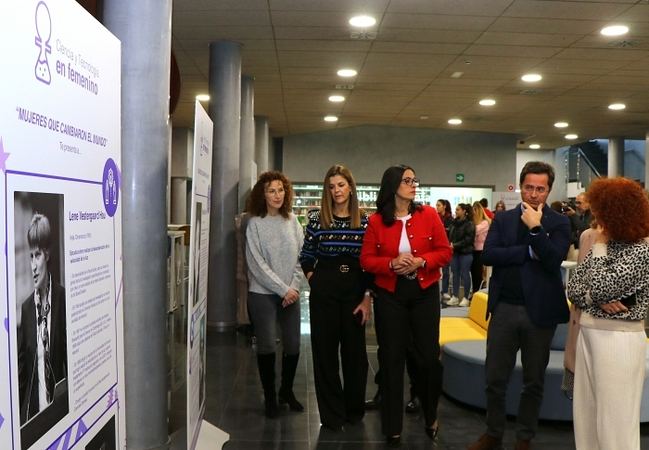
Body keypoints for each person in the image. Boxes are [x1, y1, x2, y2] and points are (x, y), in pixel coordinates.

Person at [468, 161, 570, 450]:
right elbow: (489, 256)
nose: (534, 194)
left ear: (549, 190)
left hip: (540, 315)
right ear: (521, 186)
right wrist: (527, 250)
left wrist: (536, 229)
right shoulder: (502, 219)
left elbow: (552, 260)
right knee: (494, 378)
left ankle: (524, 437)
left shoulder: (559, 222)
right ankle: (493, 433)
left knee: (533, 381)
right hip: (504, 310)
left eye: (540, 189)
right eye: (529, 187)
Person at [360, 165, 452, 447]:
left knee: (427, 358)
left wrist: (421, 260)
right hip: (390, 294)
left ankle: (430, 413)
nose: (413, 185)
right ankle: (392, 427)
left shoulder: (429, 215)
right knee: (391, 359)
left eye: (414, 180)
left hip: (424, 293)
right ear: (392, 185)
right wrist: (390, 263)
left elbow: (445, 251)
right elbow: (366, 260)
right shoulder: (376, 221)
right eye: (407, 180)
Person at [567, 177, 649, 450]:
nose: (595, 216)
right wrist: (596, 298)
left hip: (619, 341)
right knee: (587, 421)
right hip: (590, 336)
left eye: (600, 210)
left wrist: (599, 247)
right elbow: (575, 289)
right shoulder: (606, 245)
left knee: (615, 425)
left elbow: (603, 285)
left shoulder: (642, 249)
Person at [299, 164, 372, 430]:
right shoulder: (318, 219)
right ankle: (331, 415)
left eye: (341, 185)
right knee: (325, 355)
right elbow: (306, 255)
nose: (336, 191)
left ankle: (354, 411)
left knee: (356, 357)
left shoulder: (365, 221)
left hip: (355, 291)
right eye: (331, 186)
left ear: (351, 187)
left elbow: (369, 263)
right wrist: (313, 280)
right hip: (324, 292)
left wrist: (367, 297)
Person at [245, 171, 305, 418]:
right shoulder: (254, 223)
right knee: (268, 345)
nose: (277, 195)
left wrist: (294, 287)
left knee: (293, 344)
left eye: (281, 190)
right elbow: (256, 264)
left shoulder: (293, 221)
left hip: (291, 293)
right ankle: (270, 397)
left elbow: (304, 256)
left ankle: (286, 391)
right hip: (262, 294)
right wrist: (283, 289)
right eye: (271, 190)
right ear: (263, 194)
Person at [18, 213, 67, 423]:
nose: (33, 267)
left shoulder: (62, 298)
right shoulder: (27, 308)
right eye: (30, 257)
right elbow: (22, 374)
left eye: (37, 255)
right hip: (36, 418)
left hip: (60, 414)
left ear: (47, 254)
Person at [446, 203, 475, 307]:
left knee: (465, 274)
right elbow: (451, 236)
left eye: (458, 209)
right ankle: (455, 297)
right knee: (455, 275)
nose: (456, 211)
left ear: (464, 211)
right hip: (455, 253)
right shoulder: (454, 223)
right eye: (456, 209)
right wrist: (450, 245)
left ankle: (466, 297)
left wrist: (455, 245)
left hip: (466, 253)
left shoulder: (470, 224)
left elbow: (469, 239)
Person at [471, 201, 491, 299]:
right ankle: (474, 292)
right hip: (473, 250)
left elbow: (474, 231)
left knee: (478, 274)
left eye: (474, 210)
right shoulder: (473, 223)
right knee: (474, 274)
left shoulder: (485, 223)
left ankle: (477, 293)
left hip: (481, 251)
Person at [436, 199, 453, 301]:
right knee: (436, 270)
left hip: (446, 247)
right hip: (436, 247)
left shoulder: (450, 219)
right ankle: (436, 290)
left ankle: (445, 291)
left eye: (439, 205)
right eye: (436, 205)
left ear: (444, 206)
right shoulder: (435, 217)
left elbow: (451, 233)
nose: (437, 207)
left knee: (446, 271)